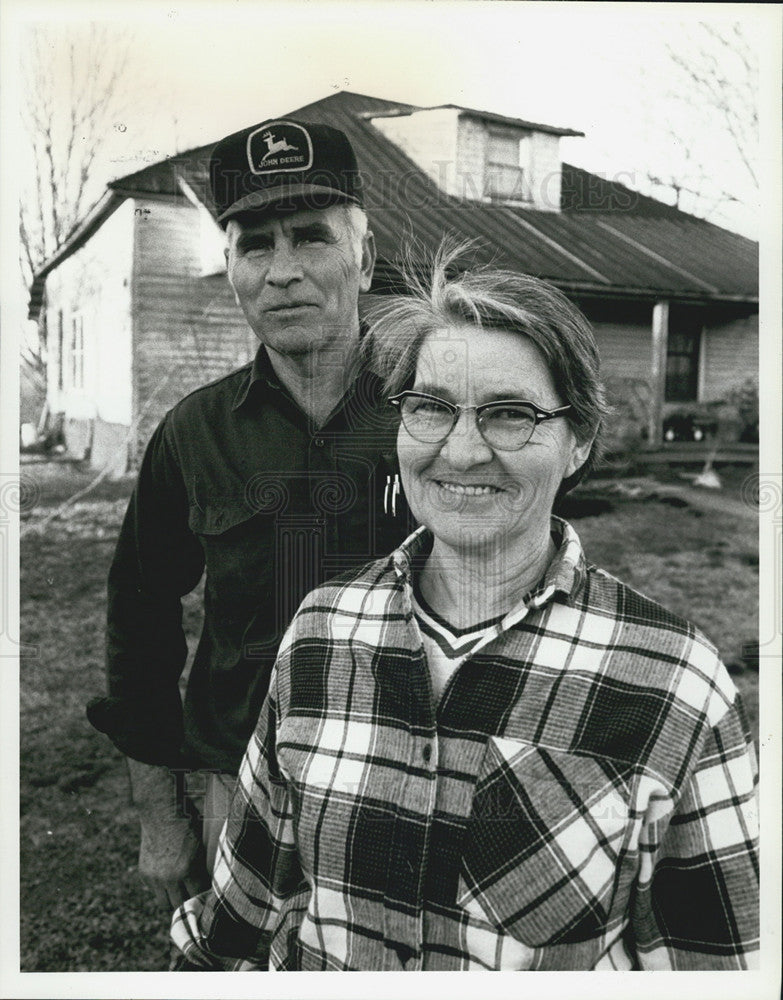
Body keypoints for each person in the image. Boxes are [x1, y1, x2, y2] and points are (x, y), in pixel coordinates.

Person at [170, 243, 759, 971]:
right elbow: (245, 913)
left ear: (576, 443)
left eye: (510, 415)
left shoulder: (674, 686)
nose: (462, 450)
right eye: (431, 408)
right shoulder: (321, 632)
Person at [86, 118, 410, 918]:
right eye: (254, 245)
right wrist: (162, 815)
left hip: (412, 780)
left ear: (363, 260)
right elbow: (141, 616)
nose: (284, 272)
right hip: (238, 782)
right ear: (228, 267)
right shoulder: (192, 435)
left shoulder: (430, 413)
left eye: (311, 238)